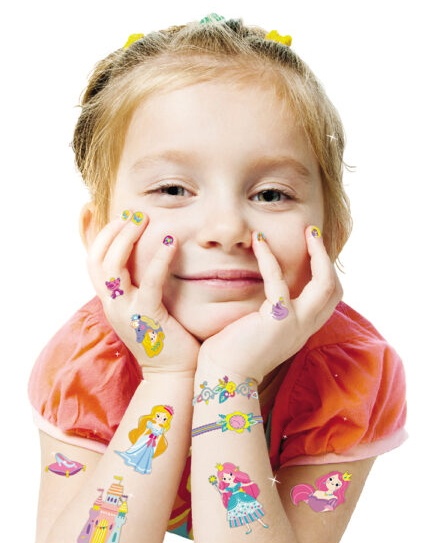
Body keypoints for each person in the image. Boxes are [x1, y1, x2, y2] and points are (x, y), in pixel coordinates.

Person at [28, 15, 407, 543]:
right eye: (172, 189)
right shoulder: (89, 363)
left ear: (333, 234)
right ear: (100, 235)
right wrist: (166, 375)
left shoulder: (348, 376)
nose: (227, 228)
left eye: (271, 194)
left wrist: (227, 380)